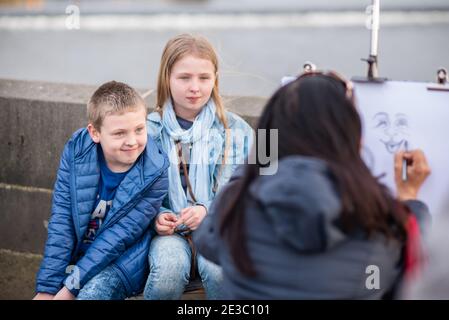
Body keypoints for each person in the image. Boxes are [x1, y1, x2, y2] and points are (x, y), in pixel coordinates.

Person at [193, 71, 431, 299]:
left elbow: (207, 240)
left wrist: (268, 135)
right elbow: (410, 261)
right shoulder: (382, 224)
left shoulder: (236, 212)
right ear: (354, 139)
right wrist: (409, 197)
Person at [34, 81, 169, 300]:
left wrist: (69, 289)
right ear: (95, 133)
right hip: (78, 257)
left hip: (120, 262)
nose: (132, 141)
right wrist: (47, 289)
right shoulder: (77, 151)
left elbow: (117, 238)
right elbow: (62, 221)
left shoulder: (156, 171)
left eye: (139, 129)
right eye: (119, 133)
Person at [143, 34, 253, 300]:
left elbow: (256, 192)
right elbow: (132, 191)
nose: (195, 87)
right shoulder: (147, 131)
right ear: (166, 78)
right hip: (169, 234)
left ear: (215, 78)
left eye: (204, 78)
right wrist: (157, 216)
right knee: (168, 271)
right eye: (184, 78)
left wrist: (208, 210)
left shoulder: (237, 130)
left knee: (220, 271)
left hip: (218, 227)